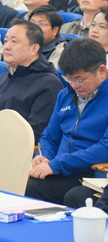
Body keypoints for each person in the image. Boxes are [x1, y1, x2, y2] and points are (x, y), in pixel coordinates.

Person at [0, 21, 64, 165]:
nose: (7, 46)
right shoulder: (3, 78)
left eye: (14, 42)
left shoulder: (49, 84)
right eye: (6, 41)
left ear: (34, 48)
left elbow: (33, 133)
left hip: (15, 159)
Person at [25, 39, 108, 206]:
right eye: (68, 78)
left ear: (102, 71)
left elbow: (105, 147)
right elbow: (49, 136)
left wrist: (57, 165)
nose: (74, 85)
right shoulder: (65, 95)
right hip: (61, 168)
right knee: (25, 184)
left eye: (79, 79)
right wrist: (44, 156)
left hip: (91, 172)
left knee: (73, 196)